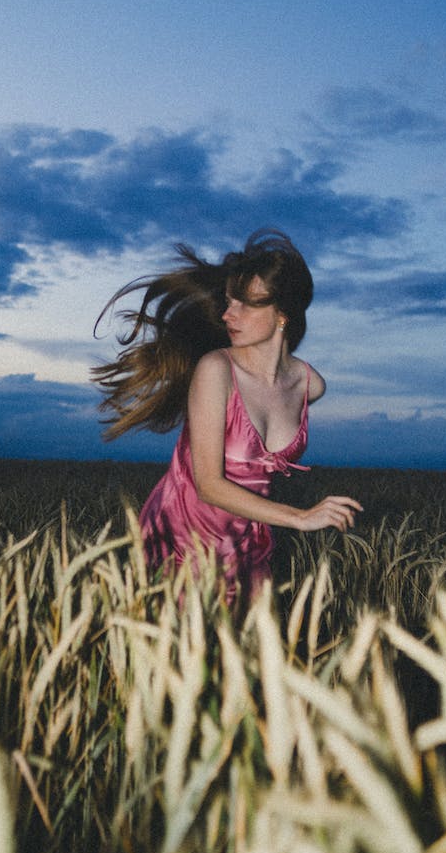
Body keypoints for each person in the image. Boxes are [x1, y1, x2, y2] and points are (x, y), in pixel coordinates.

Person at [93, 229, 362, 600]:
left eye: (246, 305)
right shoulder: (215, 370)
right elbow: (208, 484)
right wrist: (300, 517)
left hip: (251, 535)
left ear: (282, 314)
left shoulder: (309, 385)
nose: (227, 314)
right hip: (186, 536)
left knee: (259, 651)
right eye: (229, 301)